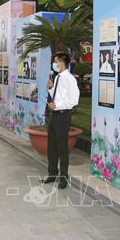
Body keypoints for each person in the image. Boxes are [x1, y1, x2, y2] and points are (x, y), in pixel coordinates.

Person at [41, 52, 80, 190]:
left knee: (62, 148)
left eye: (56, 61)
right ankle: (52, 173)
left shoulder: (70, 79)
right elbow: (58, 96)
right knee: (51, 146)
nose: (54, 64)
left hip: (63, 116)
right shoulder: (57, 77)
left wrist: (57, 106)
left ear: (62, 62)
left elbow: (74, 100)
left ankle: (63, 177)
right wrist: (50, 89)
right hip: (54, 115)